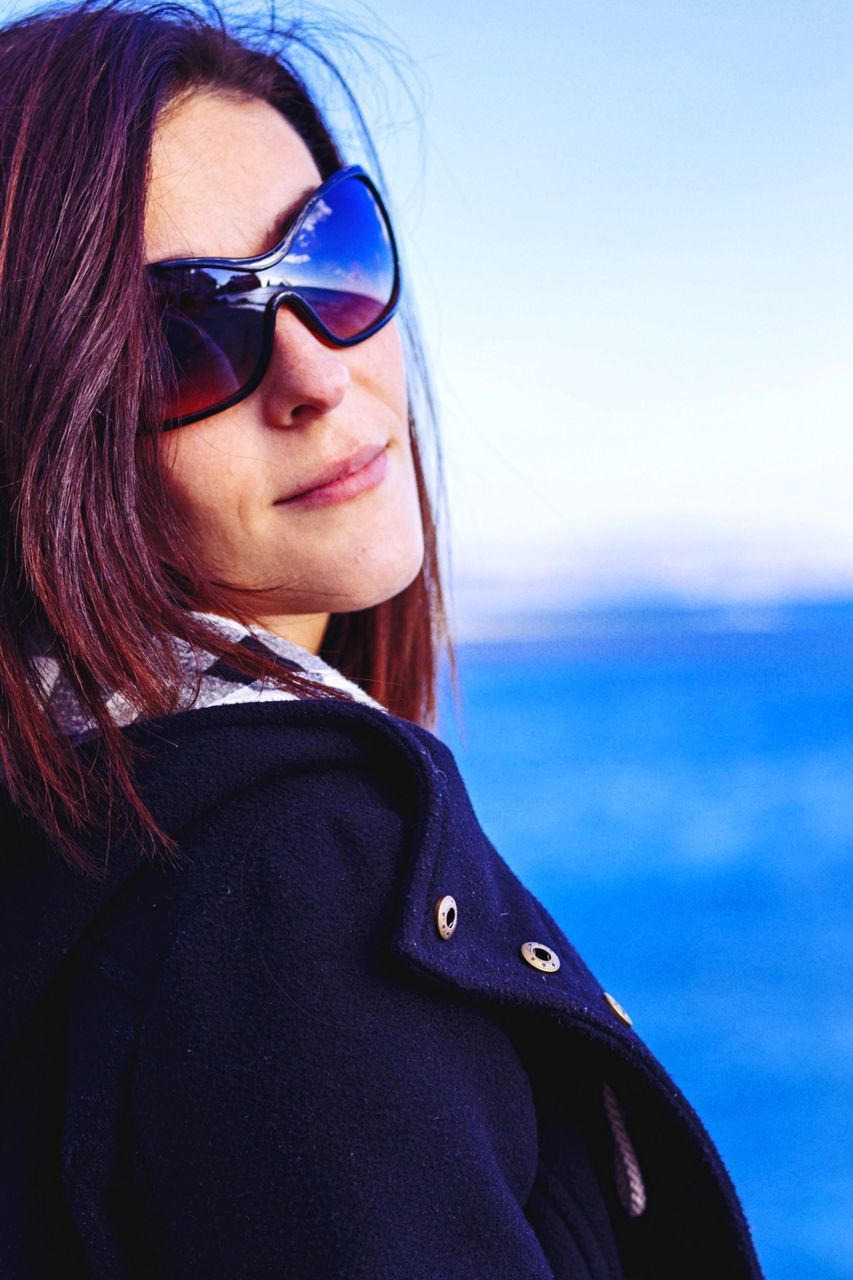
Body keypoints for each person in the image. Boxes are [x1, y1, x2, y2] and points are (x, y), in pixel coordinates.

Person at [0, 1, 766, 1276]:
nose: (313, 370)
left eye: (331, 257)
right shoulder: (292, 885)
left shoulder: (72, 841)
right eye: (177, 339)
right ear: (39, 435)